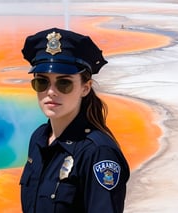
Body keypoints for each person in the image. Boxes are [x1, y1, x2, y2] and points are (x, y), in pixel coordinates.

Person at [19, 27, 130, 213]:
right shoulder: (39, 138)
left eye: (64, 83)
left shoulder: (98, 153)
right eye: (42, 82)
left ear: (85, 88)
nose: (51, 92)